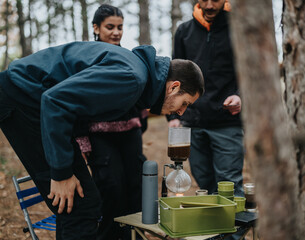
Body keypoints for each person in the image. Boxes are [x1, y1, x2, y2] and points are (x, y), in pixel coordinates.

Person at [0, 42, 204, 240]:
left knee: (79, 205)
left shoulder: (135, 72)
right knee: (80, 206)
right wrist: (62, 173)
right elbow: (55, 101)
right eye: (184, 103)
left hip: (34, 103)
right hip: (24, 98)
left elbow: (78, 107)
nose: (181, 111)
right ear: (174, 87)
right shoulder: (131, 78)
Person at [74, 4, 148, 239]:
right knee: (112, 191)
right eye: (110, 27)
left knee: (136, 189)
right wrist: (83, 142)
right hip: (100, 137)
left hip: (131, 135)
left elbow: (140, 94)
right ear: (96, 27)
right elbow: (75, 100)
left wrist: (140, 121)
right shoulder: (86, 59)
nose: (116, 32)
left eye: (120, 27)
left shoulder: (128, 57)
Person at [168, 0, 245, 197]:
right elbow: (175, 75)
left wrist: (240, 96)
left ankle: (233, 229)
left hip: (227, 121)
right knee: (204, 184)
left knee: (229, 185)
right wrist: (173, 116)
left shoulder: (239, 28)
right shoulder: (184, 31)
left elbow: (249, 72)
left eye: (216, 0)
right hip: (192, 123)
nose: (209, 5)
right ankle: (215, 227)